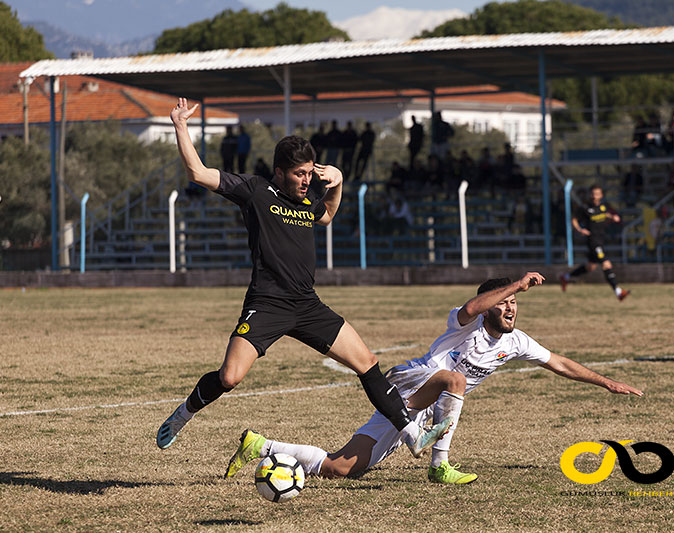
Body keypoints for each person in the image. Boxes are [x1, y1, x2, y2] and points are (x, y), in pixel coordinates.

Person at [157, 98, 452, 459]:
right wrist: (180, 126)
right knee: (230, 377)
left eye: (311, 173)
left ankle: (411, 433)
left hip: (307, 304)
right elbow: (198, 173)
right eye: (300, 174)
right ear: (279, 172)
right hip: (267, 303)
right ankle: (183, 414)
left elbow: (326, 216)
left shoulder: (308, 198)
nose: (307, 180)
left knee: (367, 362)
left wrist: (339, 183)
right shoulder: (255, 191)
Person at [224, 274, 643, 484]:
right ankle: (439, 465)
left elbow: (562, 364)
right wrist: (515, 283)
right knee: (453, 379)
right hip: (410, 384)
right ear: (492, 307)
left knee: (340, 469)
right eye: (507, 302)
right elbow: (472, 305)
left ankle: (261, 446)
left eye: (515, 303)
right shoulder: (464, 324)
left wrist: (607, 382)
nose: (512, 308)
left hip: (419, 412)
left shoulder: (517, 343)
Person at [560, 185, 630, 301]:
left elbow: (605, 214)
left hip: (602, 239)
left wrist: (612, 217)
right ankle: (618, 292)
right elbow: (574, 219)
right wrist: (580, 229)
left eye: (597, 194)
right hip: (593, 241)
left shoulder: (604, 206)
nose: (595, 196)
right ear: (590, 194)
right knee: (606, 264)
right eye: (593, 194)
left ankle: (566, 277)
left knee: (590, 266)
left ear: (601, 195)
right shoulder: (585, 208)